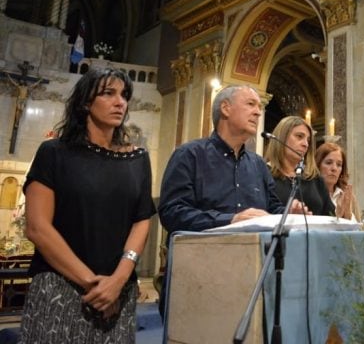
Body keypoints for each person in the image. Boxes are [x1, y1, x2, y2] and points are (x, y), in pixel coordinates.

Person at [20, 68, 155, 342]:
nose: (120, 102)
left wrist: (118, 280)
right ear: (85, 102)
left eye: (124, 95)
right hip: (60, 287)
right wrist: (95, 285)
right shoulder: (54, 153)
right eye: (109, 93)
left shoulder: (137, 159)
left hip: (118, 292)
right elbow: (37, 227)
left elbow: (142, 219)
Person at [159, 86, 304, 234]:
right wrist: (230, 220)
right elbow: (172, 212)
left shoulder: (258, 164)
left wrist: (289, 214)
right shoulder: (189, 155)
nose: (258, 112)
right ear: (225, 108)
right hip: (204, 252)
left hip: (254, 253)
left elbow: (271, 209)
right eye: (250, 104)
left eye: (259, 107)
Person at [265, 115, 334, 216]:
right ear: (282, 137)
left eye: (308, 140)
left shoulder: (315, 178)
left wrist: (342, 213)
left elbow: (331, 216)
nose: (305, 144)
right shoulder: (263, 173)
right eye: (299, 136)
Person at [316, 142, 360, 221]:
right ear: (317, 165)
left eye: (339, 165)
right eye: (328, 163)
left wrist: (348, 215)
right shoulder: (311, 194)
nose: (334, 168)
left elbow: (358, 227)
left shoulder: (346, 195)